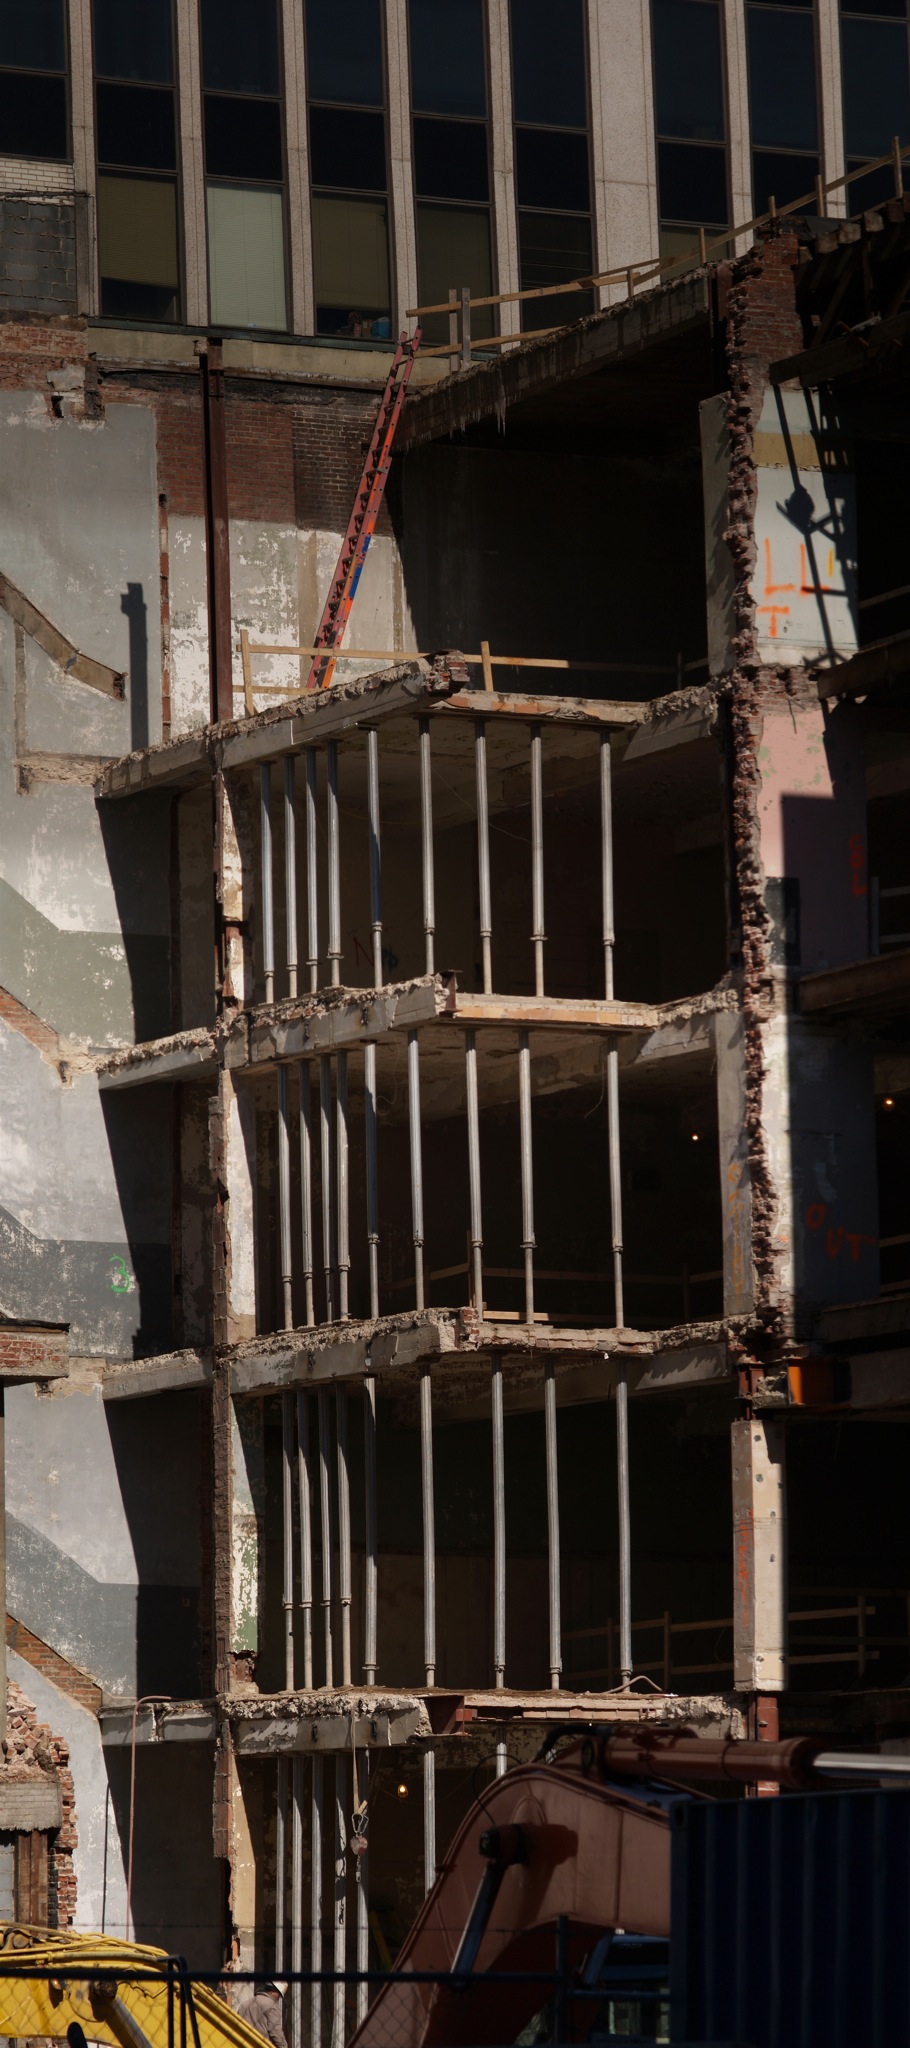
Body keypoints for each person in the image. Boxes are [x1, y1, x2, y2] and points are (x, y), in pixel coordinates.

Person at [243, 1981, 289, 2048]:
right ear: (272, 1991)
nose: (279, 1998)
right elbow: (275, 2031)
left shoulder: (244, 2005)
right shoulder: (272, 2006)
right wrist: (283, 2046)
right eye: (279, 1994)